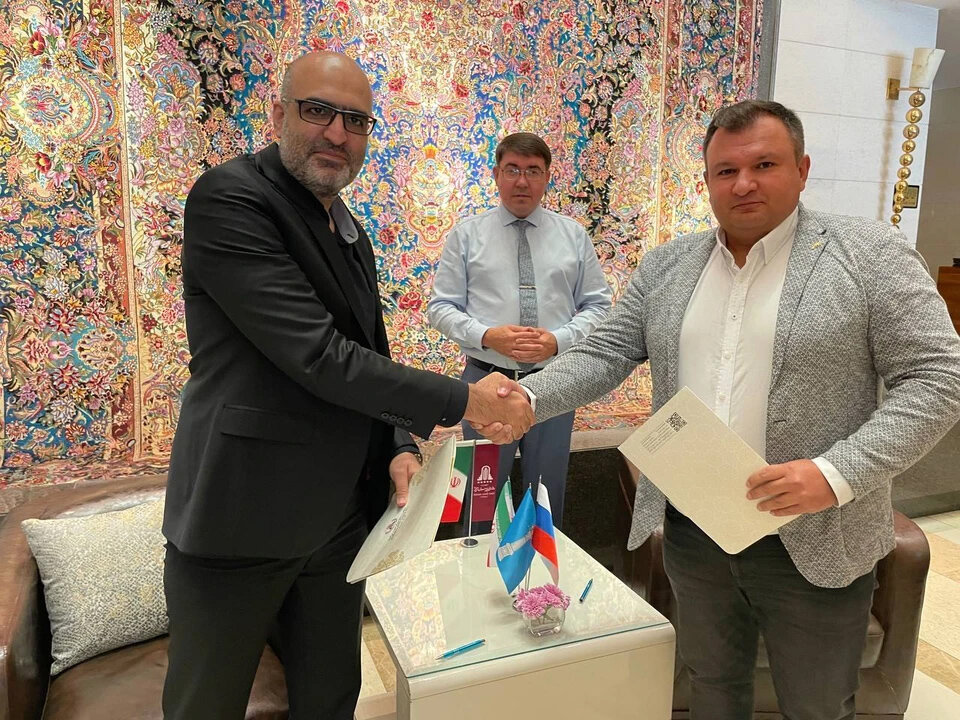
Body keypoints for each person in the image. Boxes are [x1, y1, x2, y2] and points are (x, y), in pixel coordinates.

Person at [477, 100, 960, 719]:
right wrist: (530, 397)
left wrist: (837, 473)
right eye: (726, 171)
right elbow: (604, 352)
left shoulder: (870, 255)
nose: (744, 183)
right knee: (710, 691)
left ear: (802, 169)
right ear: (707, 180)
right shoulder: (669, 265)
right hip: (695, 533)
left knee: (817, 705)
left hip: (816, 534)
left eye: (765, 165)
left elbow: (939, 377)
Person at [161, 51, 532, 720]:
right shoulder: (232, 199)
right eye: (318, 111)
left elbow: (368, 352)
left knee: (332, 697)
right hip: (241, 518)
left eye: (356, 121)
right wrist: (466, 398)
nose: (337, 133)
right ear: (278, 114)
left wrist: (397, 446)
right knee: (205, 705)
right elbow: (319, 356)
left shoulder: (348, 228)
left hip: (337, 522)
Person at [427, 132, 612, 529]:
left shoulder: (573, 236)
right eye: (512, 170)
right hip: (484, 382)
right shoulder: (467, 235)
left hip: (555, 383)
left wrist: (557, 341)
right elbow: (440, 308)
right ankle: (476, 562)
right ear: (496, 174)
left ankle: (542, 571)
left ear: (547, 177)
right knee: (480, 498)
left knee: (545, 498)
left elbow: (599, 307)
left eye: (533, 171)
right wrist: (486, 336)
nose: (522, 181)